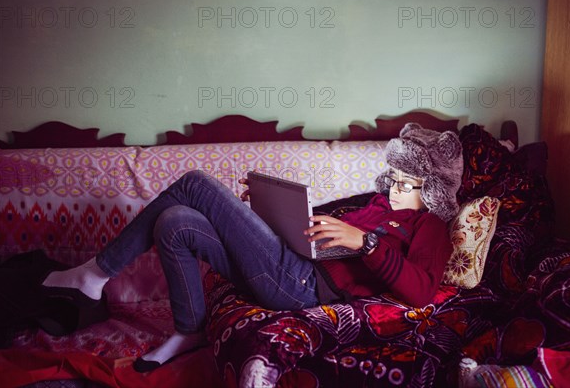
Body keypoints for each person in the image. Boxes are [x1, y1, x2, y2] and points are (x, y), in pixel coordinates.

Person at [41, 122, 463, 372]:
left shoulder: (429, 226)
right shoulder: (376, 203)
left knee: (195, 184)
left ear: (435, 193)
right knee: (175, 224)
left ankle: (96, 274)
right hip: (290, 260)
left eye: (408, 186)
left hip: (302, 285)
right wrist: (268, 210)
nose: (395, 191)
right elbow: (318, 223)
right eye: (394, 179)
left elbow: (422, 290)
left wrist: (366, 243)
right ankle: (188, 330)